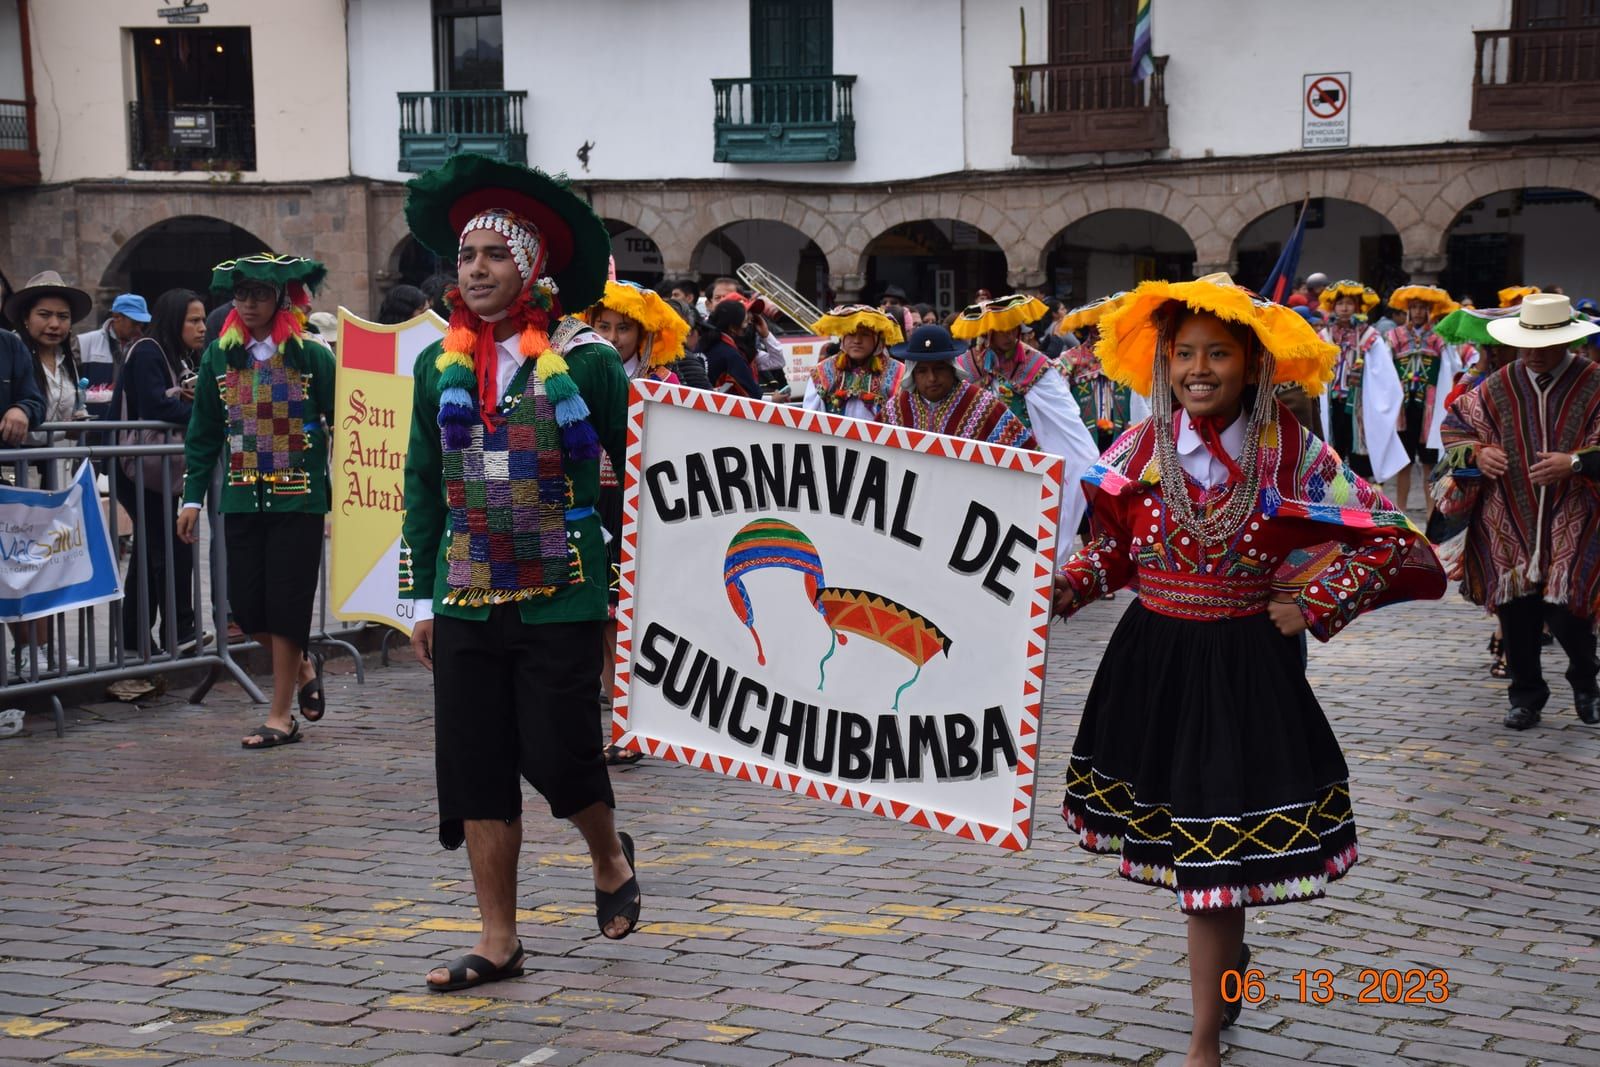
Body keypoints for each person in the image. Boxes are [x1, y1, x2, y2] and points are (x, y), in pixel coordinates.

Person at [1052, 273, 1445, 1067]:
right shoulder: (1133, 448)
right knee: (1201, 856)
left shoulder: (1295, 455)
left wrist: (1317, 602)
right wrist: (1065, 585)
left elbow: (1391, 535)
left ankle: (1203, 1039)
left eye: (1218, 353)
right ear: (1163, 362)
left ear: (1255, 363)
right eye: (1184, 353)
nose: (1199, 368)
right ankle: (1223, 988)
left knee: (1213, 860)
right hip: (1153, 665)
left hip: (1243, 671)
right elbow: (1116, 549)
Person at [398, 154, 641, 992]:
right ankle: (498, 939)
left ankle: (608, 853)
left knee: (559, 750)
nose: (476, 270)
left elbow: (646, 476)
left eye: (495, 255)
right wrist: (416, 598)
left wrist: (642, 587)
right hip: (465, 586)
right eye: (466, 257)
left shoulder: (589, 365)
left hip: (561, 591)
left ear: (531, 266)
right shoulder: (437, 368)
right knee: (475, 761)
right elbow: (422, 484)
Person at [178, 254, 334, 749]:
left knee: (287, 608)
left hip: (299, 502)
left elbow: (352, 422)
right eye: (241, 294)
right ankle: (304, 664)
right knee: (246, 608)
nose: (248, 304)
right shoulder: (220, 356)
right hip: (243, 499)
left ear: (281, 298)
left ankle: (281, 715)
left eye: (259, 295)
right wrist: (192, 498)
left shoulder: (312, 356)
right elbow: (203, 432)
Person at [1436, 294, 1600, 731]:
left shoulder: (1593, 381)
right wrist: (1479, 454)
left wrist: (1577, 462)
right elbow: (1455, 430)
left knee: (1569, 607)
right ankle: (1526, 696)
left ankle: (1586, 681)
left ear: (1567, 342)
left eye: (1543, 346)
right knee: (1516, 607)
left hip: (1575, 507)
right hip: (1505, 511)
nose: (1532, 354)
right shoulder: (1498, 383)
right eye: (1526, 344)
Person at [583, 277, 687, 765]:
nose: (612, 335)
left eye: (623, 328)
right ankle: (619, 723)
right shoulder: (578, 372)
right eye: (602, 325)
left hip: (642, 506)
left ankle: (634, 721)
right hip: (590, 503)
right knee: (602, 620)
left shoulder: (662, 383)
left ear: (645, 334)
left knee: (630, 620)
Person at [952, 293, 1100, 541]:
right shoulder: (969, 364)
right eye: (1002, 330)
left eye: (1014, 329)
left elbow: (1064, 412)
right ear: (989, 331)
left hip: (1025, 452)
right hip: (980, 455)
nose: (1010, 336)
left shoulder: (1034, 363)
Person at [4, 272, 93, 672]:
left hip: (60, 477)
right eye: (45, 315)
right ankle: (27, 649)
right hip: (23, 475)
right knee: (19, 567)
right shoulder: (14, 354)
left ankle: (50, 645)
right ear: (26, 317)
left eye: (62, 316)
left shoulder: (68, 359)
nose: (54, 324)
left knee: (55, 564)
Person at [113, 288, 207, 656]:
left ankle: (140, 640)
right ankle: (178, 631)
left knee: (154, 549)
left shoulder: (176, 355)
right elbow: (155, 405)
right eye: (194, 320)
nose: (202, 328)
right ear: (174, 321)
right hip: (136, 466)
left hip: (156, 467)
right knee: (164, 548)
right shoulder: (149, 350)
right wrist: (206, 415)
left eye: (203, 320)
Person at [882, 323, 1034, 448]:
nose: (932, 378)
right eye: (922, 371)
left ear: (951, 368)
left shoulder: (984, 406)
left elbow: (1026, 456)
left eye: (939, 368)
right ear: (913, 374)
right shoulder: (896, 411)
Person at [1316, 281, 1406, 482]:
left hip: (1359, 405)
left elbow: (1383, 371)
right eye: (1341, 304)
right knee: (1332, 451)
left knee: (1359, 455)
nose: (1345, 308)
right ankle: (1333, 497)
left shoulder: (1369, 336)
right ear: (1333, 307)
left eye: (1349, 303)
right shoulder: (1324, 336)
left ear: (1358, 307)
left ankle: (1362, 494)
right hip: (1331, 403)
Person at [1384, 285, 1458, 513]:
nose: (1417, 312)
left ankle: (1430, 513)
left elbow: (1450, 367)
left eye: (1422, 308)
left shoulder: (1439, 337)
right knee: (1403, 463)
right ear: (1407, 310)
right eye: (1413, 307)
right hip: (1403, 408)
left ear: (1429, 310)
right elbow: (1385, 367)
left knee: (1429, 464)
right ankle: (1402, 511)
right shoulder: (1394, 336)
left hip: (1430, 407)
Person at [1059, 294, 1144, 451]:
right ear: (1089, 326)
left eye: (1106, 323)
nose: (1100, 328)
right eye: (1096, 324)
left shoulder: (1126, 356)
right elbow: (1059, 396)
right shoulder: (1071, 359)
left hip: (1122, 432)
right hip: (1084, 435)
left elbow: (1141, 399)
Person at [804, 304, 906, 421]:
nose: (857, 341)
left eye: (865, 335)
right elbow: (810, 420)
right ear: (843, 338)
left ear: (878, 341)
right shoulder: (822, 372)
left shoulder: (898, 373)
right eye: (851, 333)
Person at [78, 292, 149, 417]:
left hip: (129, 427)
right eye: (135, 323)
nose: (139, 328)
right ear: (116, 317)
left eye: (142, 323)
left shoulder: (145, 346)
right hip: (92, 427)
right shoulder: (84, 342)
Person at [698, 298, 760, 396]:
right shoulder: (730, 355)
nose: (749, 326)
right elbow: (753, 393)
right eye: (745, 322)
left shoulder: (698, 345)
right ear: (732, 327)